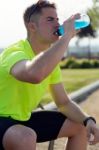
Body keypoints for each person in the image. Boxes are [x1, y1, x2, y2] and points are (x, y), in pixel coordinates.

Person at [0, 0, 98, 150]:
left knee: (79, 126)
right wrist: (67, 37)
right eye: (50, 19)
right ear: (32, 26)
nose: (58, 25)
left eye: (58, 20)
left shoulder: (50, 62)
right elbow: (33, 74)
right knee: (26, 136)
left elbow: (63, 103)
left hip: (23, 119)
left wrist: (88, 120)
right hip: (2, 119)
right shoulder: (14, 53)